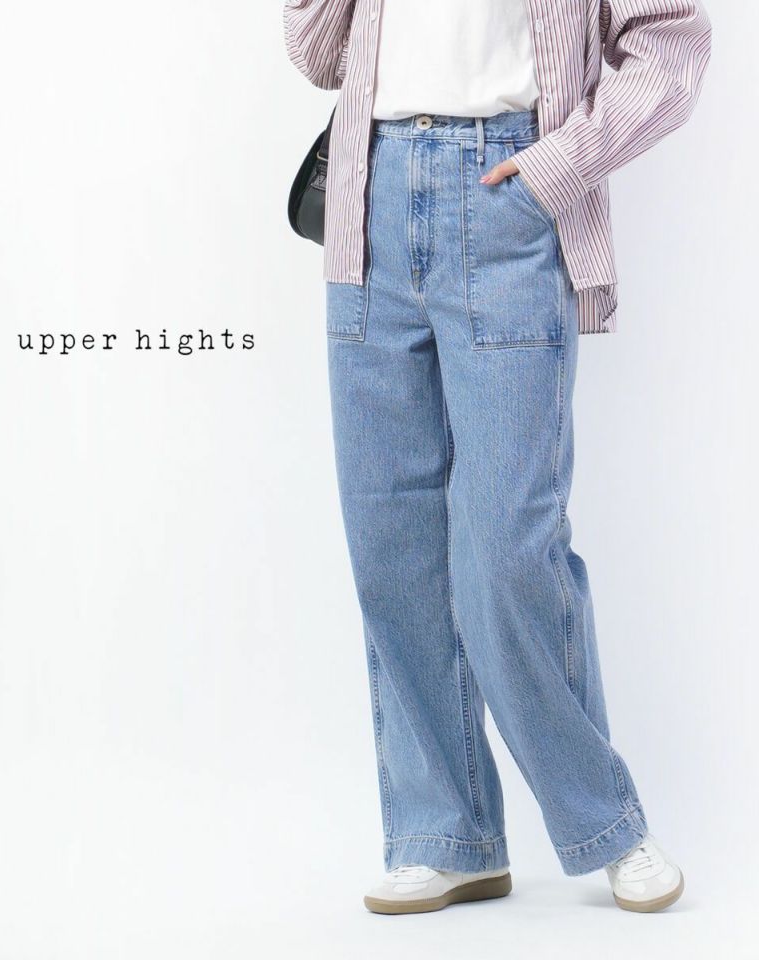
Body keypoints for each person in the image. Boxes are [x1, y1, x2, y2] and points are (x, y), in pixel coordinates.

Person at [283, 0, 711, 915]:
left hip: (505, 195)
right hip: (368, 200)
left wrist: (555, 169)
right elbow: (317, 54)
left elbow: (671, 44)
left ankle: (608, 824)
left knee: (509, 549)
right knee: (393, 547)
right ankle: (448, 836)